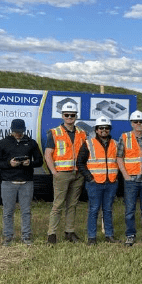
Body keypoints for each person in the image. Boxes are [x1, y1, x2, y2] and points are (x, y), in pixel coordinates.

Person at [0, 118, 43, 246]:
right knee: (8, 211)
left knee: (26, 211)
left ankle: (26, 236)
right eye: (16, 132)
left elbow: (39, 161)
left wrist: (29, 163)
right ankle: (8, 237)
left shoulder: (31, 143)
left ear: (25, 130)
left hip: (26, 182)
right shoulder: (3, 143)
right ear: (11, 130)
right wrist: (9, 164)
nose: (18, 134)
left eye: (20, 132)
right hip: (8, 181)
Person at [44, 101, 86, 244]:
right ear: (62, 116)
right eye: (67, 115)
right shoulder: (55, 133)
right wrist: (54, 172)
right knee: (58, 205)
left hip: (77, 174)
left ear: (76, 116)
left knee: (72, 205)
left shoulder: (82, 133)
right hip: (62, 174)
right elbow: (48, 154)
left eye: (72, 115)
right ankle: (52, 234)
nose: (69, 117)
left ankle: (69, 232)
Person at [76, 116, 120, 245]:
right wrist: (90, 178)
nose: (104, 130)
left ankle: (109, 235)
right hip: (95, 184)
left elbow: (119, 162)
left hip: (111, 183)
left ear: (109, 129)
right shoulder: (89, 143)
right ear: (96, 129)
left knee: (108, 210)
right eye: (101, 128)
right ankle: (92, 238)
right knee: (94, 210)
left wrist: (116, 178)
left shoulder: (115, 144)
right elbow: (80, 163)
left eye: (106, 128)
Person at [117, 110, 142, 246]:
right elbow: (119, 157)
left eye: (141, 121)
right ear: (131, 123)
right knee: (129, 210)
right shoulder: (125, 137)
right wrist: (125, 175)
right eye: (136, 122)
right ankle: (130, 235)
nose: (138, 124)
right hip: (131, 180)